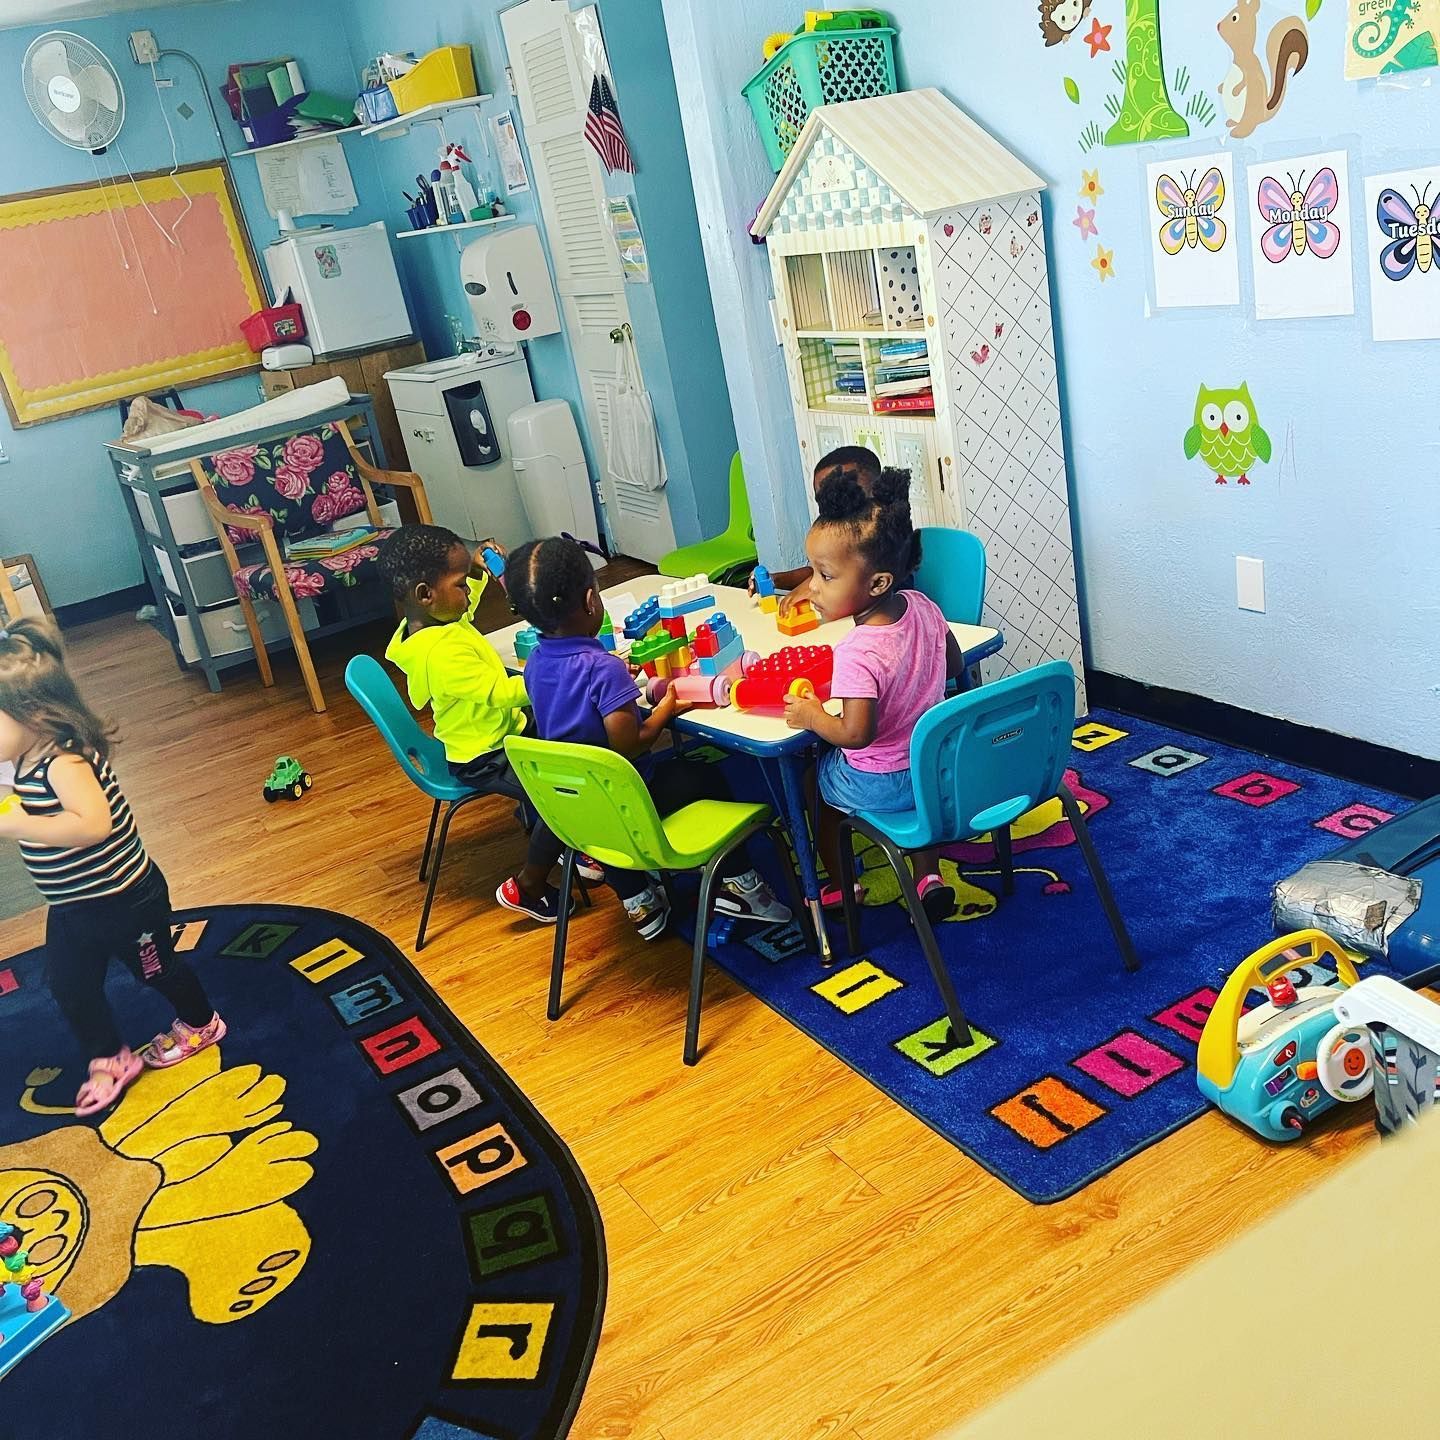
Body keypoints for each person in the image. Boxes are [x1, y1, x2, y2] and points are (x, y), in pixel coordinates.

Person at [506, 536, 792, 940]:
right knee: (704, 778)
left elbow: (571, 709)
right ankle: (739, 888)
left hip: (579, 813)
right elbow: (630, 742)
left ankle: (640, 904)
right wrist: (666, 708)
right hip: (626, 806)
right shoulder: (602, 668)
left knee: (608, 804)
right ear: (591, 601)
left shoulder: (536, 662)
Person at [0, 617, 224, 1117]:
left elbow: (92, 826)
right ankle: (110, 1056)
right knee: (69, 987)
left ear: (33, 714)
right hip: (72, 905)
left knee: (156, 971)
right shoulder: (17, 756)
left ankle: (202, 1022)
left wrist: (19, 824)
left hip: (125, 903)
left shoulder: (64, 761)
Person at [379, 524, 586, 924]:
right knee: (561, 798)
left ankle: (562, 839)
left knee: (560, 745)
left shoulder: (430, 625)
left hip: (496, 735)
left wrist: (474, 572)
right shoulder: (441, 654)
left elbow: (462, 612)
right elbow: (499, 693)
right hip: (484, 755)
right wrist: (553, 671)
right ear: (426, 594)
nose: (467, 594)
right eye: (460, 584)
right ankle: (530, 884)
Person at [783, 470, 964, 922]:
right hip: (932, 767)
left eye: (824, 576)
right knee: (910, 785)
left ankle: (844, 887)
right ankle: (928, 878)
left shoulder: (857, 650)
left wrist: (810, 716)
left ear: (878, 583)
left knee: (813, 784)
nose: (813, 587)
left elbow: (856, 733)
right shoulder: (924, 608)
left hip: (880, 781)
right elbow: (955, 665)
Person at [749, 447, 916, 617]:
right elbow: (832, 567)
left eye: (847, 496)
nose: (835, 506)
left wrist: (808, 588)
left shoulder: (891, 545)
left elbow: (851, 574)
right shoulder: (834, 536)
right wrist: (779, 580)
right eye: (825, 500)